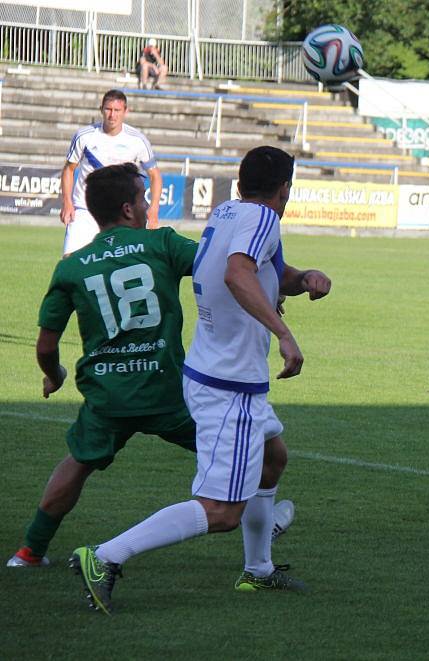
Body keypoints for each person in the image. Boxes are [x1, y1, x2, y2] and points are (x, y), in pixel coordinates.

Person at [70, 146, 331, 614]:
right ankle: (105, 556)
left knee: (273, 458)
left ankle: (259, 570)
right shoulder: (264, 220)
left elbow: (261, 271)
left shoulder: (228, 212)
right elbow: (237, 274)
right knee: (222, 512)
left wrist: (304, 277)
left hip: (210, 370)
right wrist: (284, 334)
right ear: (285, 189)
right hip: (232, 385)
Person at [7, 163, 197, 568]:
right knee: (248, 448)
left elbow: (46, 344)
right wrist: (290, 283)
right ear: (129, 209)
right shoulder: (162, 244)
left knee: (77, 463)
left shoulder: (73, 265)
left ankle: (29, 552)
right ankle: (258, 528)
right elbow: (224, 269)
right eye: (144, 198)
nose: (148, 206)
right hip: (169, 393)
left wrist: (53, 373)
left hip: (108, 398)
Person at [60, 90, 162, 256]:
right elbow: (69, 170)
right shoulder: (84, 136)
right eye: (108, 109)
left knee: (120, 265)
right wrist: (67, 202)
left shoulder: (137, 141)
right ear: (101, 109)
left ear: (126, 111)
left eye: (117, 110)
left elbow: (155, 175)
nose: (112, 115)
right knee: (70, 260)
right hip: (85, 210)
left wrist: (154, 207)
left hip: (121, 216)